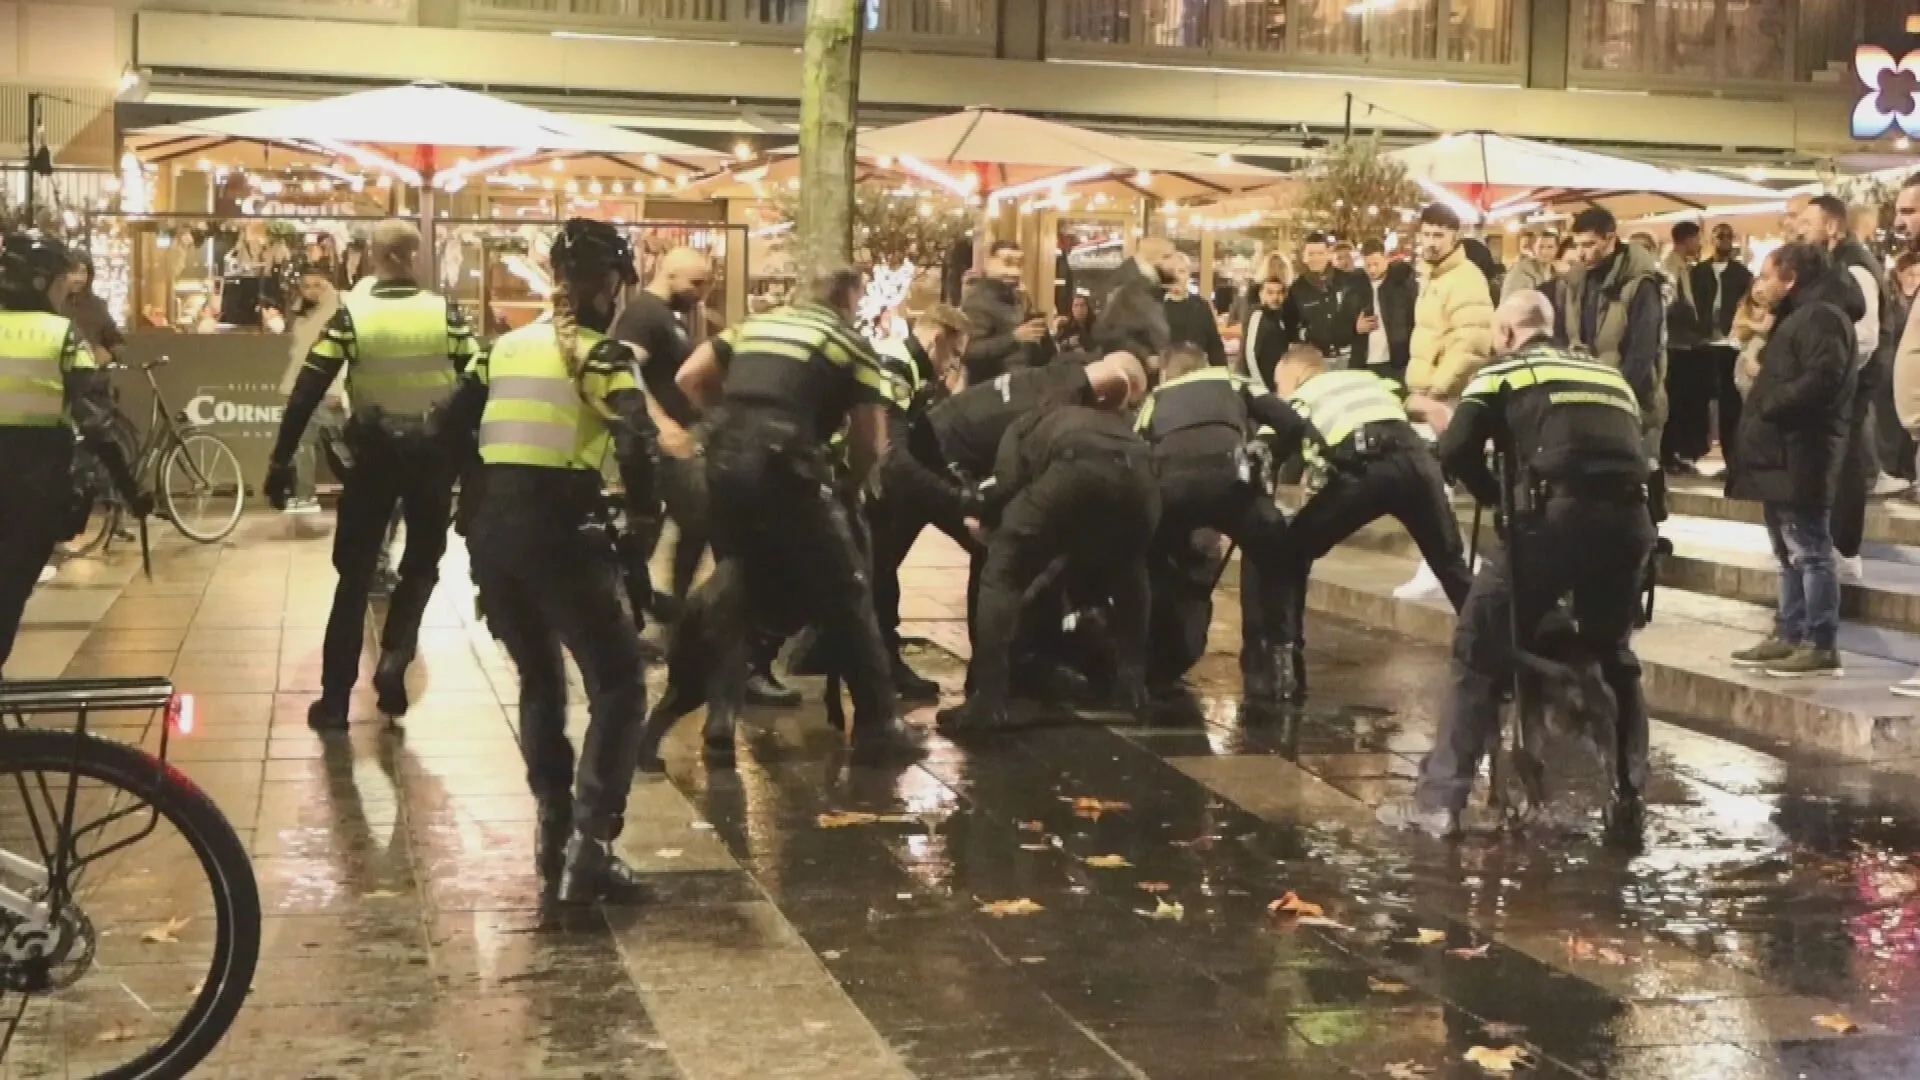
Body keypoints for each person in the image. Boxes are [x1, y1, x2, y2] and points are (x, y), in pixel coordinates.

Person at [432, 218, 660, 900]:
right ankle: (591, 844)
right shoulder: (604, 356)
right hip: (562, 527)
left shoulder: (500, 350)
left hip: (494, 536)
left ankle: (552, 829)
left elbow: (447, 426)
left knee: (540, 681)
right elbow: (640, 443)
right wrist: (645, 521)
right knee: (618, 683)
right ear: (611, 286)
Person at [1378, 292, 1655, 839]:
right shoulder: (1608, 375)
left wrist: (1497, 501)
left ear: (1506, 331)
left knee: (1477, 648)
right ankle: (1627, 796)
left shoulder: (1503, 370)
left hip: (1552, 523)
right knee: (1614, 653)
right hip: (1631, 523)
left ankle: (1439, 802)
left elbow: (1456, 449)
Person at [664, 266, 926, 768]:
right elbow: (871, 439)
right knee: (847, 587)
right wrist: (849, 486)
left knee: (735, 585)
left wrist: (725, 421)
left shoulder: (756, 324)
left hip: (723, 468)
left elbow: (689, 376)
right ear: (849, 301)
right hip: (786, 467)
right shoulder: (848, 343)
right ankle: (878, 723)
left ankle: (721, 722)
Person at [264, 220, 477, 732]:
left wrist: (280, 460)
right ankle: (395, 657)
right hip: (430, 460)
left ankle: (335, 699)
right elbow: (477, 376)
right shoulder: (443, 313)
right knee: (422, 565)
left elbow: (310, 386)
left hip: (373, 460)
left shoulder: (351, 314)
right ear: (415, 256)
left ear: (376, 258)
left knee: (353, 577)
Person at [936, 352, 1156, 733]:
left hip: (1072, 467)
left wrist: (982, 516)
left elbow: (1005, 487)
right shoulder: (1112, 419)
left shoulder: (1027, 421)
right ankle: (1132, 686)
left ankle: (987, 700)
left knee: (1000, 574)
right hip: (1141, 474)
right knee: (1130, 568)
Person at [1268, 344, 1474, 699]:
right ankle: (1491, 657)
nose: (1277, 391)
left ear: (1295, 373)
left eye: (1278, 382)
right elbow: (1427, 408)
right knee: (1451, 566)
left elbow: (1278, 444)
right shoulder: (1368, 379)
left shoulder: (1301, 396)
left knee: (1291, 553)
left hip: (1365, 468)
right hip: (1417, 463)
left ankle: (1286, 661)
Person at [0, 232, 149, 673]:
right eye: (64, 278)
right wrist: (129, 488)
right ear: (42, 281)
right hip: (34, 487)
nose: (70, 287)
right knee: (9, 592)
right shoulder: (62, 336)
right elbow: (97, 424)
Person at [1725, 242, 1860, 680]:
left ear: (1791, 278)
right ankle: (1789, 631)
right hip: (1779, 453)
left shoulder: (1822, 316)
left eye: (1767, 275)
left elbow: (1823, 379)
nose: (1760, 284)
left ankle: (1819, 642)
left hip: (1802, 450)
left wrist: (1771, 402)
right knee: (1787, 553)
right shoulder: (1798, 315)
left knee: (1810, 552)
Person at [1133, 343, 1296, 700]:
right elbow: (1289, 422)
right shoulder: (1233, 380)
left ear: (1167, 371)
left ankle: (1142, 664)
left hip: (1170, 489)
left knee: (1154, 563)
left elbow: (1137, 444)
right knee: (1269, 553)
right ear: (1204, 364)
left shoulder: (1157, 396)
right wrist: (1265, 449)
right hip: (1230, 484)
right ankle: (1270, 657)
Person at [869, 303, 976, 698]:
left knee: (876, 570)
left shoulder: (913, 371)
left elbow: (924, 446)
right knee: (875, 570)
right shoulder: (894, 366)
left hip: (860, 479)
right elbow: (894, 457)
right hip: (847, 479)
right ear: (936, 338)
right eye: (954, 353)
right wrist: (955, 498)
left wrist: (959, 496)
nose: (953, 365)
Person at [1398, 203, 1495, 600]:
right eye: (1427, 233)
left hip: (1447, 396)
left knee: (1434, 484)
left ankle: (1440, 564)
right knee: (1433, 484)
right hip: (1432, 393)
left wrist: (1436, 389)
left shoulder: (1465, 279)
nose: (1432, 241)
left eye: (1440, 234)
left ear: (1455, 237)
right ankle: (1442, 561)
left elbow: (1470, 342)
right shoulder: (1433, 277)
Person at [1546, 206, 1666, 516]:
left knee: (1634, 484)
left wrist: (1619, 393)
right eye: (1578, 245)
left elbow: (1643, 350)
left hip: (1631, 400)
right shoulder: (1574, 283)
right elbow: (1562, 334)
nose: (1582, 253)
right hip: (1584, 398)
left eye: (1589, 245)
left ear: (1610, 239)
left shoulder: (1641, 285)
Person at [1799, 194, 1892, 584]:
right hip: (1842, 382)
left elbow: (1865, 335)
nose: (1798, 229)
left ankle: (1844, 549)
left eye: (1806, 222)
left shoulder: (1855, 265)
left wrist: (1833, 372)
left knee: (1848, 460)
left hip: (1851, 383)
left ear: (1832, 226)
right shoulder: (1835, 263)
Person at [1689, 223, 1754, 471]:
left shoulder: (1741, 274)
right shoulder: (1699, 272)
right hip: (1703, 343)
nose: (1723, 241)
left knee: (1730, 404)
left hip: (1731, 345)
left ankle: (1732, 458)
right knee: (1701, 400)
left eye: (1727, 236)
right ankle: (1697, 449)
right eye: (1718, 236)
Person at [1660, 221, 1711, 472]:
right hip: (1675, 346)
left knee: (1682, 402)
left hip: (1684, 344)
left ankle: (1676, 453)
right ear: (1687, 239)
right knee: (1674, 401)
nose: (1700, 244)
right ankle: (1669, 455)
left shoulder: (1683, 266)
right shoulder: (1670, 267)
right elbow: (1670, 306)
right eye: (1697, 239)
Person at [1281, 232, 1374, 370]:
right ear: (1304, 257)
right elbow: (1291, 329)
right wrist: (1307, 336)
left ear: (1329, 254)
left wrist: (1355, 330)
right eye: (1311, 254)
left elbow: (1363, 318)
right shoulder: (1296, 289)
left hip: (1349, 359)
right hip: (1316, 362)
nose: (1316, 258)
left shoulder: (1348, 281)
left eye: (1320, 253)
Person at [962, 240, 1050, 383]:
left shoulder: (1019, 297)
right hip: (992, 389)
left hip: (1022, 382)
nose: (1015, 271)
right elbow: (969, 351)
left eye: (1019, 264)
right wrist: (1014, 337)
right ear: (990, 263)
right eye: (1007, 262)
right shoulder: (977, 300)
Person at [1097, 237, 1177, 364]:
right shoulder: (1126, 283)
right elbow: (1109, 331)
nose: (1175, 263)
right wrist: (1145, 356)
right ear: (1159, 258)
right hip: (1131, 367)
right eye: (1172, 257)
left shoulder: (1148, 281)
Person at [1361, 241, 1417, 382]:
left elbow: (1414, 318)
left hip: (1398, 360)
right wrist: (1355, 327)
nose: (1372, 270)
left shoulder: (1401, 283)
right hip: (1367, 362)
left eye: (1376, 264)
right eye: (1368, 265)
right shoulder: (1357, 285)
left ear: (1386, 258)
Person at [1161, 253, 1227, 369]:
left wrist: (1222, 376)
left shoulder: (1201, 306)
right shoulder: (1156, 306)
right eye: (1171, 272)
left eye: (1182, 271)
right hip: (1165, 374)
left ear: (1188, 275)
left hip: (1196, 373)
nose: (1176, 277)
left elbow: (1215, 346)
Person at [1240, 277, 1288, 394]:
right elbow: (1250, 354)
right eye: (1270, 292)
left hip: (1272, 387)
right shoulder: (1258, 315)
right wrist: (1260, 388)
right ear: (1261, 294)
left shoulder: (1279, 319)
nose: (1275, 297)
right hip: (1258, 388)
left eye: (1279, 293)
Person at [1500, 230, 1555, 302]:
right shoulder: (1520, 271)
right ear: (1534, 248)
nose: (1545, 251)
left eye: (1550, 247)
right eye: (1540, 247)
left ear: (1557, 249)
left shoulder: (1556, 273)